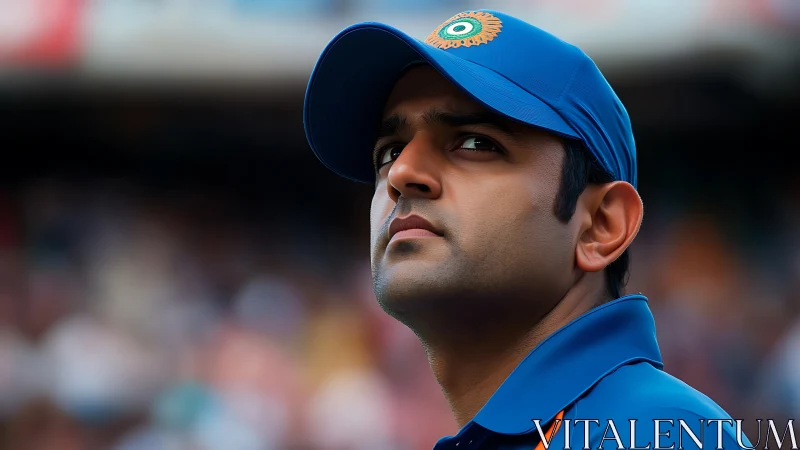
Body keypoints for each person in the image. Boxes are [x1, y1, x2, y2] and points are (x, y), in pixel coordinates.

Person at [303, 10, 752, 450]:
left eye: (477, 143)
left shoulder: (655, 432)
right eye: (388, 151)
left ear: (601, 225)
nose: (402, 172)